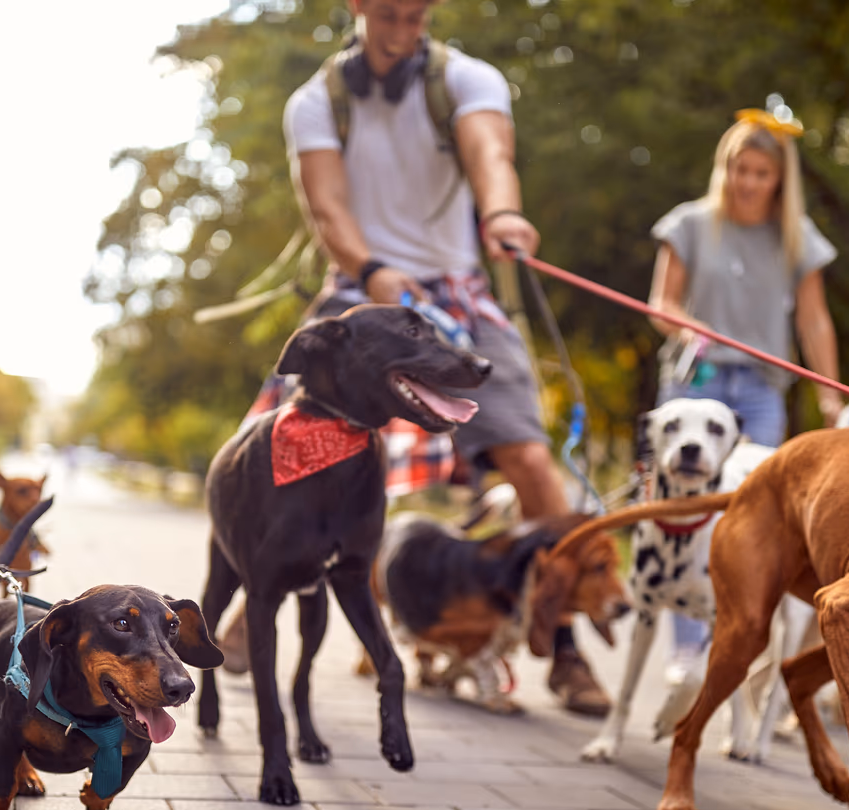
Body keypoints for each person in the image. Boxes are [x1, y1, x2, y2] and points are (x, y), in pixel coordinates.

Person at [219, 0, 613, 714]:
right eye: (392, 11)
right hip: (364, 291)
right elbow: (327, 206)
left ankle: (564, 649)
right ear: (358, 6)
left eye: (418, 11)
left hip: (457, 286)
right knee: (288, 442)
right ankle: (257, 598)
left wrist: (500, 214)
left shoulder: (467, 78)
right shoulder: (318, 101)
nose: (406, 23)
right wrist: (372, 272)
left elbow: (490, 153)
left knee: (529, 456)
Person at [648, 107, 842, 683]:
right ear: (724, 167)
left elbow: (815, 323)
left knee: (753, 515)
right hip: (695, 382)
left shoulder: (796, 239)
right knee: (686, 505)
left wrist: (830, 395)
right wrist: (688, 328)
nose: (749, 182)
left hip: (760, 390)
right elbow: (662, 303)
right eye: (740, 169)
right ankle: (684, 649)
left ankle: (730, 642)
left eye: (761, 173)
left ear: (778, 179)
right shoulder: (688, 224)